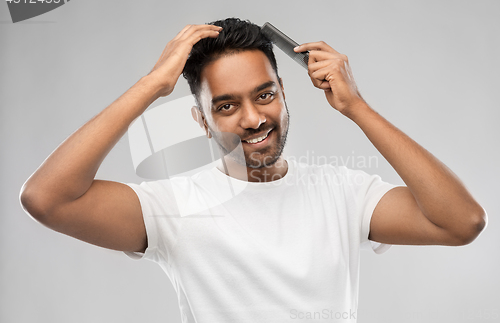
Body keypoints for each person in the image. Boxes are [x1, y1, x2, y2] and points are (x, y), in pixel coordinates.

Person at [20, 18, 487, 322]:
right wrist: (152, 85)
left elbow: (462, 222)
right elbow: (47, 198)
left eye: (264, 95)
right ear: (201, 120)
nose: (253, 118)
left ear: (283, 91)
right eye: (226, 106)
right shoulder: (174, 206)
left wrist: (357, 107)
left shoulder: (344, 192)